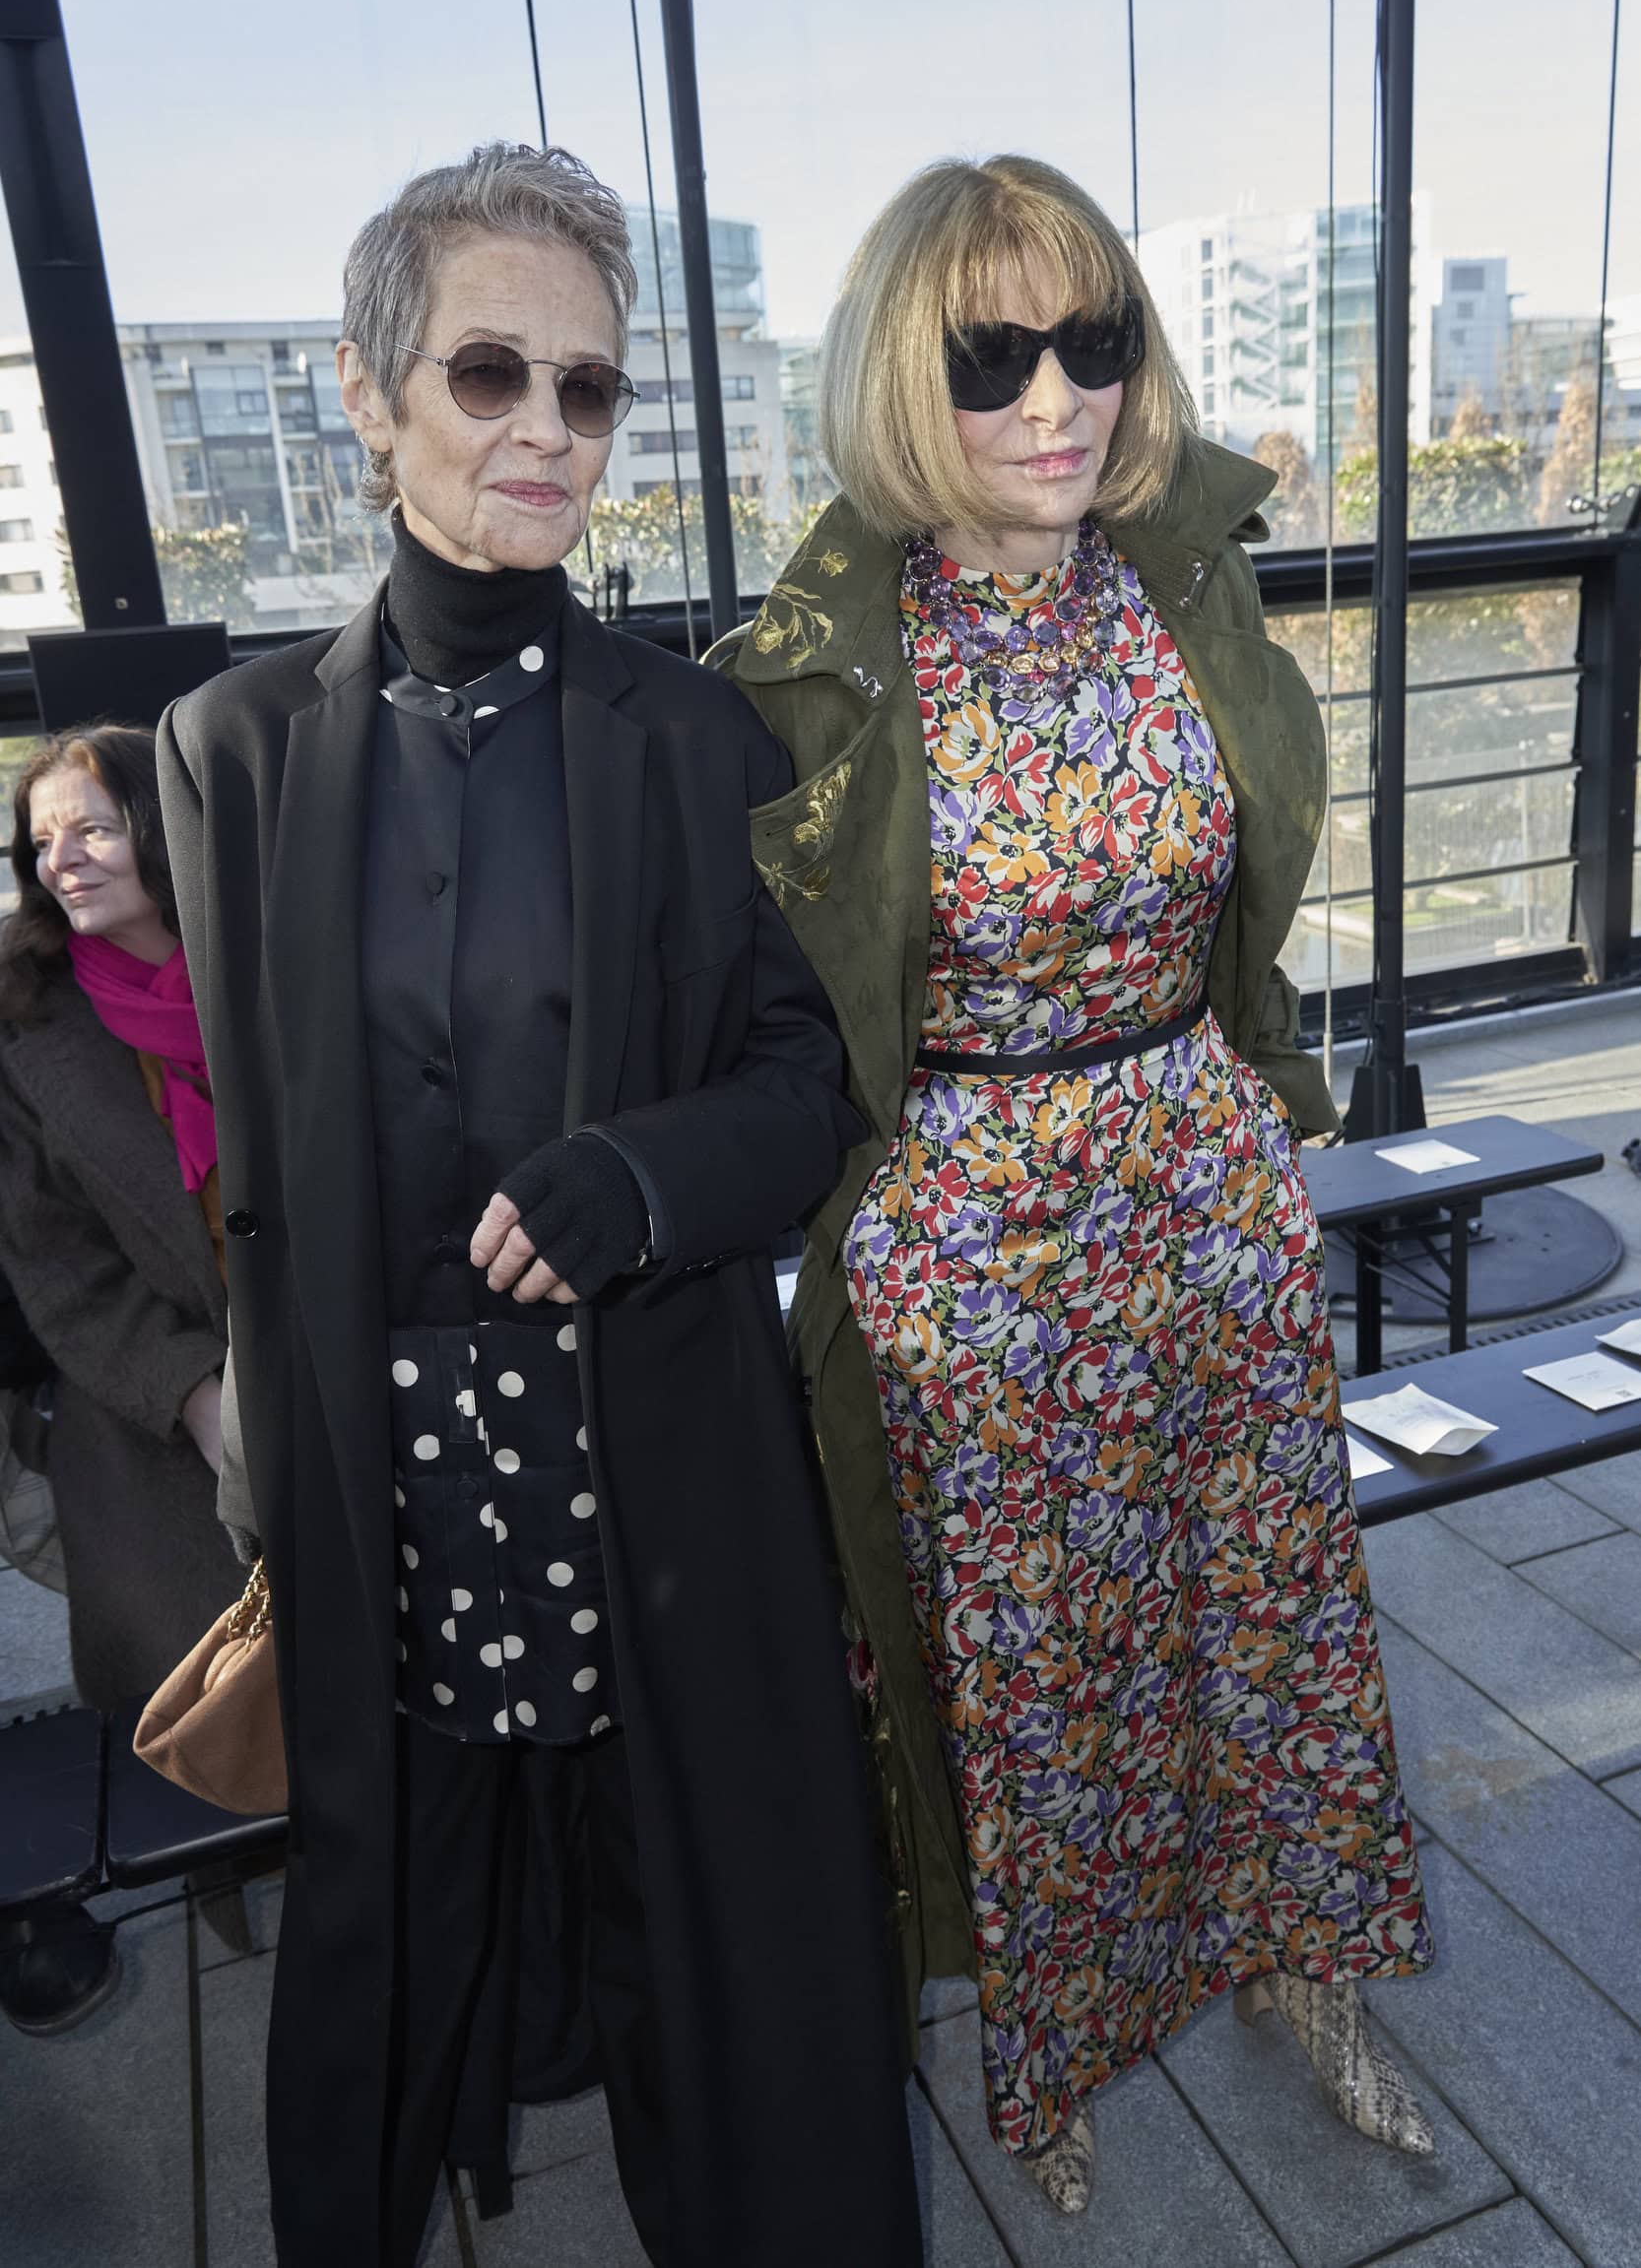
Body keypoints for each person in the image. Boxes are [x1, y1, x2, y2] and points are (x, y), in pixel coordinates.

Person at [157, 141, 920, 2268]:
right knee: (402, 1907)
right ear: (366, 389)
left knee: (703, 1913)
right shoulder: (228, 749)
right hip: (381, 1467)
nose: (547, 431)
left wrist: (639, 1175)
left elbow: (813, 1081)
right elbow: (264, 1163)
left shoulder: (695, 736)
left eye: (588, 388)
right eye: (490, 373)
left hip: (644, 1431)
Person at [734, 154, 1435, 2215]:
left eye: (1091, 338)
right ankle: (1052, 2042)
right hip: (970, 1223)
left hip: (1196, 1171)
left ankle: (1303, 1960)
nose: (1054, 397)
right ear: (901, 371)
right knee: (1039, 1664)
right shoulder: (822, 661)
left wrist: (1253, 1104)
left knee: (1268, 1610)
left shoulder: (1178, 579)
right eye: (989, 355)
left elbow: (1245, 890)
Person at [0, 726, 240, 2031]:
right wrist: (194, 1391)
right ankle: (242, 1843)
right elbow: (58, 1269)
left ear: (165, 825)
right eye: (42, 842)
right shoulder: (24, 1020)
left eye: (90, 827)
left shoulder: (274, 957)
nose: (63, 859)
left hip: (336, 1348)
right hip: (146, 1387)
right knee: (203, 1671)